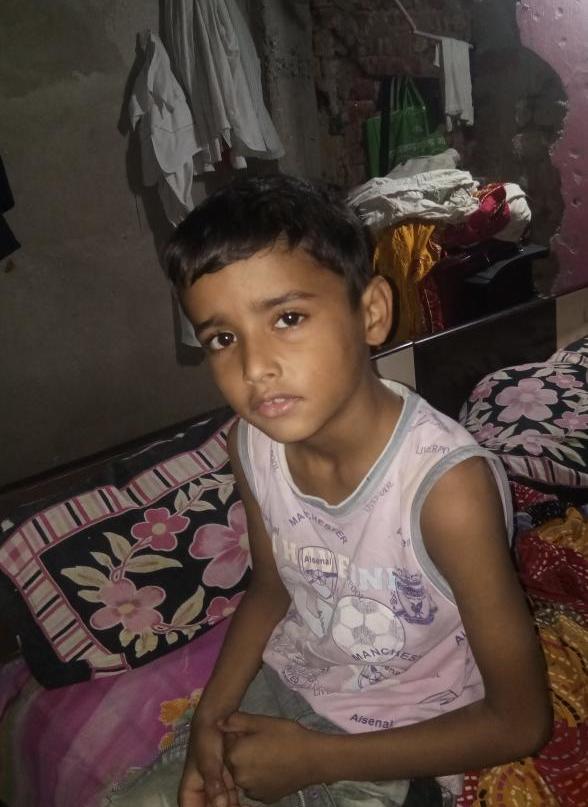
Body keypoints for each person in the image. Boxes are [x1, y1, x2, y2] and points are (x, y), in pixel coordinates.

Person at [165, 174, 552, 807]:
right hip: (293, 683)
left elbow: (521, 722)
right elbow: (271, 586)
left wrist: (312, 760)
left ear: (371, 313)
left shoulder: (446, 490)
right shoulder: (252, 445)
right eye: (223, 339)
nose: (255, 368)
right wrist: (209, 720)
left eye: (288, 318)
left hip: (410, 737)